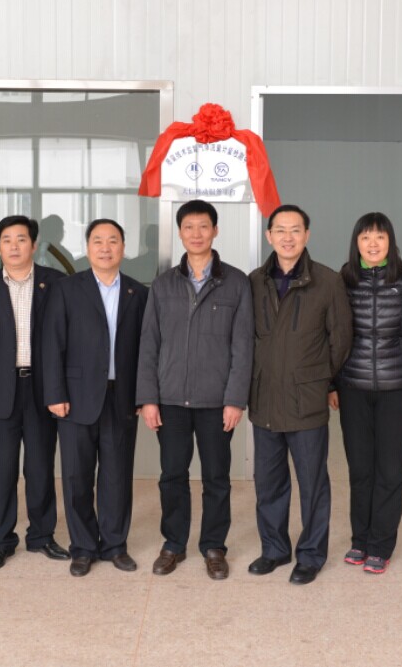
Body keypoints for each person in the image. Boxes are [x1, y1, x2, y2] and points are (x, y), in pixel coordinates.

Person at [136, 200, 254, 580]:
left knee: (216, 477)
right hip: (170, 399)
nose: (197, 233)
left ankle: (214, 546)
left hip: (217, 401)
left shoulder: (236, 283)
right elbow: (149, 344)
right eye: (189, 227)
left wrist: (235, 399)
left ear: (215, 231)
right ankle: (173, 543)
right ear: (180, 233)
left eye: (204, 226)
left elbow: (243, 347)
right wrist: (148, 399)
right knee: (172, 474)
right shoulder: (163, 284)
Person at [246, 204, 352, 585]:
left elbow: (341, 340)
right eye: (280, 230)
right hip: (264, 398)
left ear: (307, 235)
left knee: (312, 483)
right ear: (269, 236)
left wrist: (317, 378)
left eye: (295, 230)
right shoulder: (254, 281)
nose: (287, 237)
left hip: (306, 401)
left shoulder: (327, 281)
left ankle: (310, 555)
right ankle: (274, 549)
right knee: (268, 482)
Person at [0, 215, 69, 571]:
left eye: (21, 239)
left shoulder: (56, 283)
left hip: (42, 389)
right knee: (1, 470)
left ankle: (41, 536)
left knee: (40, 468)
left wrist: (61, 390)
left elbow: (66, 341)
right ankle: (1, 541)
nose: (14, 246)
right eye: (6, 240)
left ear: (34, 245)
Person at [44, 219, 148, 577]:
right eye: (98, 241)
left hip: (122, 397)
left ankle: (115, 545)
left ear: (123, 248)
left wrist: (144, 394)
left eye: (113, 241)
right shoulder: (66, 289)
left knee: (117, 476)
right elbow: (52, 343)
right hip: (74, 398)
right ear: (87, 247)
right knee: (77, 476)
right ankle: (83, 547)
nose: (106, 248)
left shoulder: (138, 292)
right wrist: (55, 393)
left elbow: (145, 350)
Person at [328, 213, 402, 574]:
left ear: (390, 242)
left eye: (380, 237)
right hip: (352, 388)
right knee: (359, 469)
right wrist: (332, 384)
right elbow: (332, 336)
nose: (373, 244)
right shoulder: (343, 280)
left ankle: (381, 545)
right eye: (366, 237)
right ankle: (360, 539)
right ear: (356, 243)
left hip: (395, 389)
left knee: (389, 470)